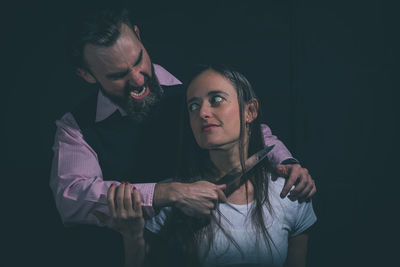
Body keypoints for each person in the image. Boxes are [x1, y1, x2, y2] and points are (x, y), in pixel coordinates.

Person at [49, 6, 315, 266]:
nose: (139, 80)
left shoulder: (189, 93)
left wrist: (287, 163)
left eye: (139, 60)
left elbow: (249, 128)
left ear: (139, 37)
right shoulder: (76, 128)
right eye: (118, 75)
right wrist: (169, 193)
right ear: (86, 74)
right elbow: (71, 197)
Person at [96, 65, 317, 267]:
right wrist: (132, 238)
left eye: (216, 99)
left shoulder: (289, 193)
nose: (202, 112)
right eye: (193, 106)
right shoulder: (171, 201)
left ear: (250, 111)